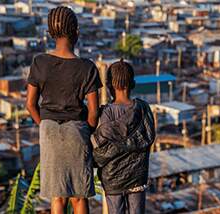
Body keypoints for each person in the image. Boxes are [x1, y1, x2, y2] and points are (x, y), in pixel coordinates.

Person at [26, 6, 101, 214]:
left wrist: (45, 125)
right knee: (79, 196)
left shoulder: (39, 62)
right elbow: (94, 112)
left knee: (57, 196)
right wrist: (86, 131)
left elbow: (30, 104)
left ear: (50, 33)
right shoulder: (87, 67)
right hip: (76, 131)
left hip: (49, 131)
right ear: (76, 32)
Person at [91, 59, 155, 214]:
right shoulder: (143, 108)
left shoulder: (106, 113)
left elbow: (101, 147)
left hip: (112, 178)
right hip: (137, 176)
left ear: (109, 85)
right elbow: (148, 138)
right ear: (132, 83)